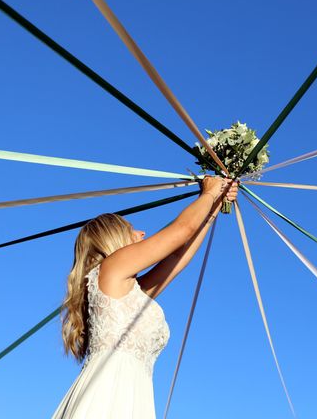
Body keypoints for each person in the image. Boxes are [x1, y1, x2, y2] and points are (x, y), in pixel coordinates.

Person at [52, 176, 238, 418]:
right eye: (132, 231)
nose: (141, 233)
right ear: (113, 241)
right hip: (108, 393)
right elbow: (181, 231)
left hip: (133, 396)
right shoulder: (112, 267)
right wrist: (209, 193)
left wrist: (213, 207)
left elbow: (177, 259)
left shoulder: (129, 290)